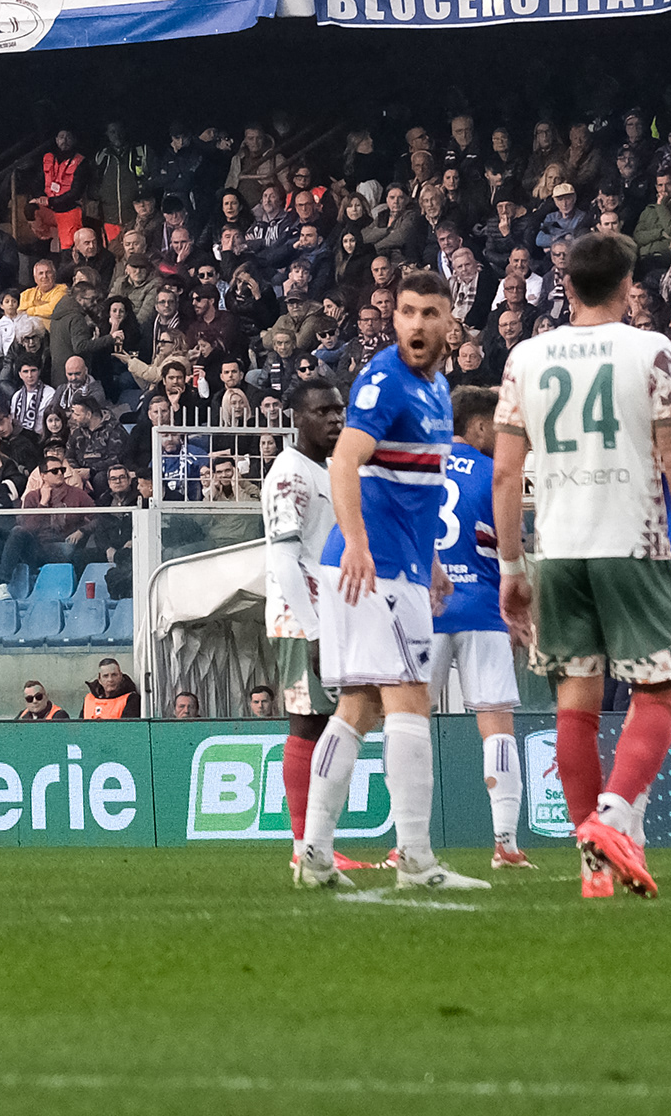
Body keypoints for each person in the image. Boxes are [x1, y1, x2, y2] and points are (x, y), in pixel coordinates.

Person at [495, 230, 671, 901]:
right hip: (631, 541)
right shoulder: (650, 349)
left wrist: (512, 566)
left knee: (576, 702)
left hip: (558, 549)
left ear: (566, 286)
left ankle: (594, 872)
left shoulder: (526, 356)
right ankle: (611, 821)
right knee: (662, 689)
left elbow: (505, 472)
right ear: (628, 288)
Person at [303, 275, 484, 893]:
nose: (416, 323)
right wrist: (358, 542)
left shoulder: (436, 389)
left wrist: (429, 559)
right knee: (409, 698)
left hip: (392, 562)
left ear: (449, 324)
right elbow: (343, 461)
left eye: (429, 313)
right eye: (407, 311)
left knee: (358, 706)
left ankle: (314, 853)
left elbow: (416, 488)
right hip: (373, 564)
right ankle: (415, 858)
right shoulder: (386, 379)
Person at [431, 382, 532, 870]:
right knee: (496, 725)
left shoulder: (419, 467)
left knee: (407, 723)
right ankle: (505, 844)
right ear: (477, 426)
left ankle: (406, 842)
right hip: (484, 609)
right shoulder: (495, 473)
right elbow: (511, 547)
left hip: (425, 608)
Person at [262, 380, 352, 867]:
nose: (335, 418)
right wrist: (313, 628)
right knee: (308, 723)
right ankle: (305, 848)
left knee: (333, 723)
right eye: (323, 411)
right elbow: (283, 558)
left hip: (328, 613)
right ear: (297, 418)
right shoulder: (290, 474)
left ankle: (319, 844)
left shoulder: (327, 469)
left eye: (339, 409)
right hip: (302, 618)